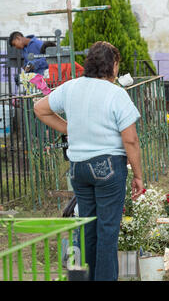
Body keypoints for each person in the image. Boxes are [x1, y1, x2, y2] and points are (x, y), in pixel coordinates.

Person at [33, 41, 144, 281]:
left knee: (86, 227)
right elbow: (131, 140)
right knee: (107, 230)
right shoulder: (116, 93)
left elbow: (40, 109)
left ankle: (81, 278)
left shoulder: (71, 87)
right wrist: (138, 175)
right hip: (108, 166)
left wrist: (69, 129)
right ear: (113, 66)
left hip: (78, 168)